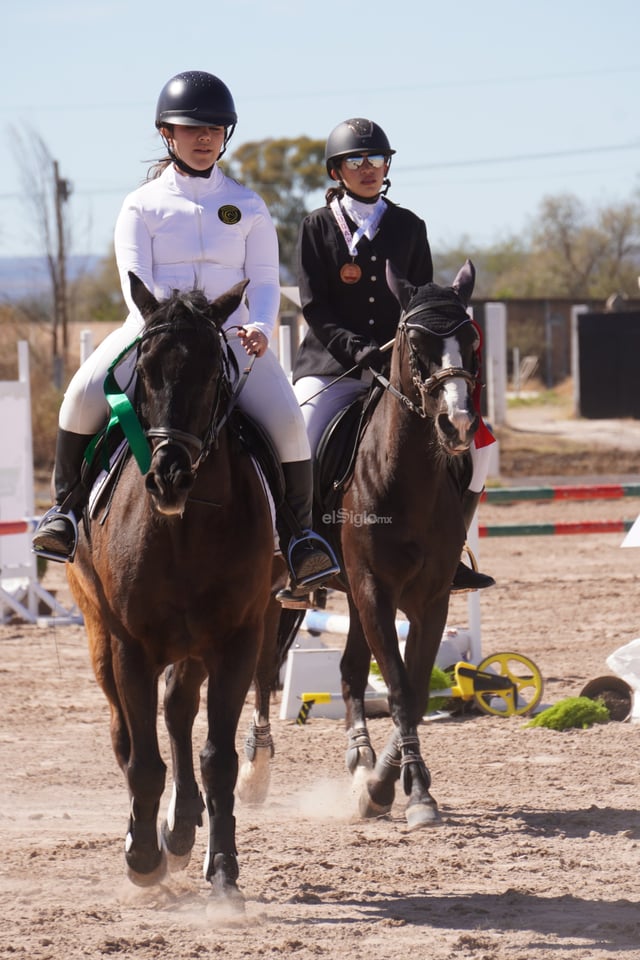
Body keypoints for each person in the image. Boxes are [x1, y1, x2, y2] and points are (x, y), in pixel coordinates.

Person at [32, 70, 339, 604]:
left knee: (289, 419)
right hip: (154, 333)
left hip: (232, 337)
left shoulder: (248, 205)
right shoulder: (141, 204)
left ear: (226, 135)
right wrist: (161, 327)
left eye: (215, 129)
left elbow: (265, 279)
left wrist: (262, 327)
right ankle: (64, 511)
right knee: (80, 395)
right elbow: (136, 281)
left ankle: (300, 539)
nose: (204, 137)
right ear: (167, 134)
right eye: (191, 128)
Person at [292, 117, 495, 592]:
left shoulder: (408, 226)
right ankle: (299, 546)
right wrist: (354, 349)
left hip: (402, 373)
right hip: (330, 368)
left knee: (480, 448)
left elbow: (422, 302)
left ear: (387, 167)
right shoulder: (316, 227)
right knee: (301, 433)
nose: (367, 168)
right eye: (355, 161)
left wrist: (406, 357)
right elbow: (313, 306)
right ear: (336, 171)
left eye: (376, 159)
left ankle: (451, 549)